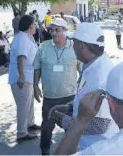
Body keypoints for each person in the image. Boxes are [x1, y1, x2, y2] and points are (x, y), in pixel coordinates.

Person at [49, 22, 118, 150]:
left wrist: (64, 121)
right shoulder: (93, 65)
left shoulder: (100, 75)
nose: (72, 46)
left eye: (74, 43)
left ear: (81, 45)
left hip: (97, 147)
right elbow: (87, 99)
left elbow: (101, 124)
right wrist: (70, 107)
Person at [33, 18, 79, 155]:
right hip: (50, 98)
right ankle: (45, 151)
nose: (53, 33)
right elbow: (37, 68)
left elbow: (83, 70)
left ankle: (72, 152)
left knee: (70, 129)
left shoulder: (74, 48)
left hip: (70, 97)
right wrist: (35, 86)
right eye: (51, 30)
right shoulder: (43, 47)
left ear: (64, 30)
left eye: (57, 30)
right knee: (46, 128)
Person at [8, 15, 41, 142]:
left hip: (28, 76)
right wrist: (21, 76)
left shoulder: (27, 37)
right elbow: (21, 58)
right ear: (29, 26)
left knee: (29, 103)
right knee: (23, 105)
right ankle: (22, 133)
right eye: (34, 23)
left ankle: (30, 123)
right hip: (22, 78)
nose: (36, 25)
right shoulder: (22, 38)